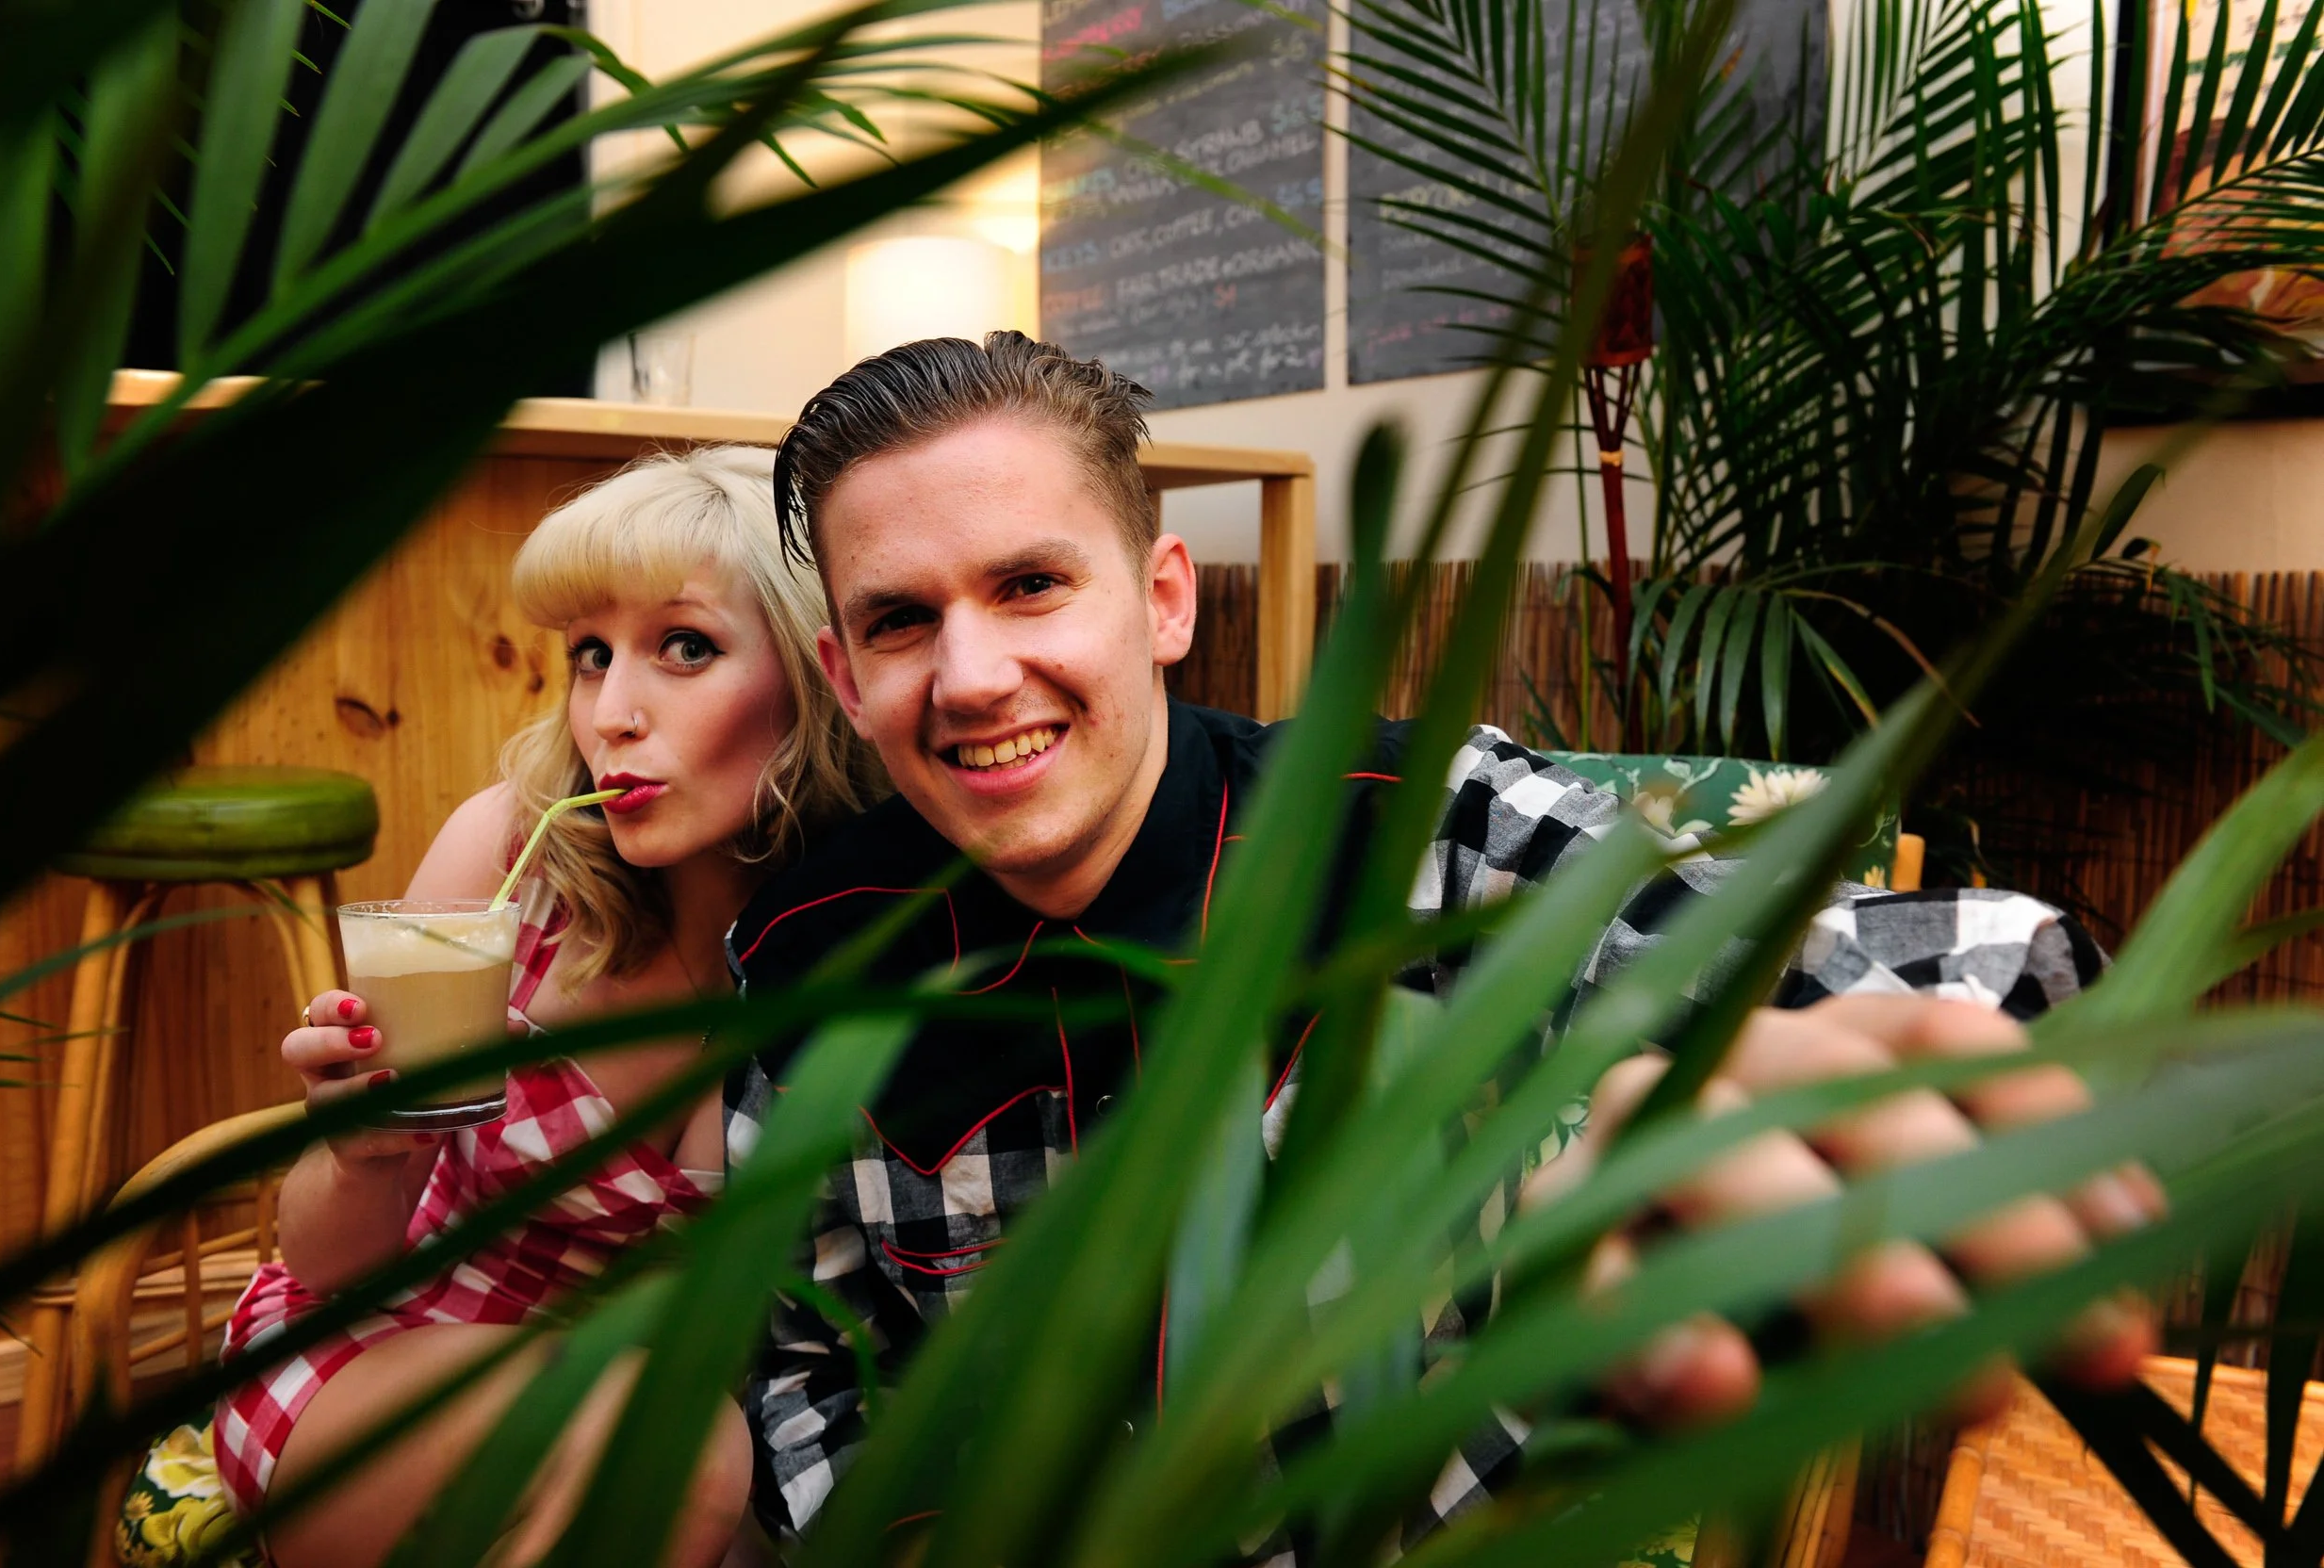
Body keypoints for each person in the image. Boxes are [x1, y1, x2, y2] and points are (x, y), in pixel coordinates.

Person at [723, 333, 2162, 1548]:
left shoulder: (1414, 825)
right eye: (903, 621)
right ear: (846, 677)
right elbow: (801, 1366)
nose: (972, 677)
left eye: (1031, 585)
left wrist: (1779, 1093)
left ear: (1164, 600)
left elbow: (1921, 962)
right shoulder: (808, 955)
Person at [217, 448, 876, 1568]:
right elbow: (327, 1262)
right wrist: (364, 1148)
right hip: (368, 1358)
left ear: (818, 678)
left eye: (684, 646)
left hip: (638, 1419)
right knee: (677, 1444)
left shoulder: (851, 939)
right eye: (589, 654)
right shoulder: (507, 864)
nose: (611, 711)